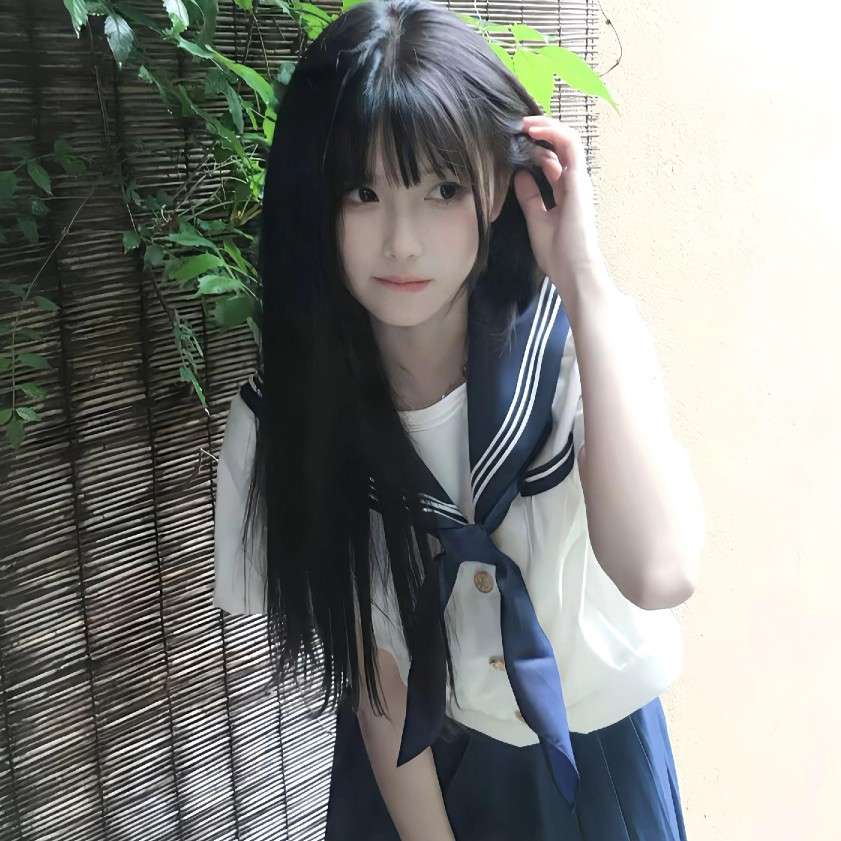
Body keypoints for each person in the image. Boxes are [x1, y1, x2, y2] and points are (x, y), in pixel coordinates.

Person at [212, 1, 706, 839]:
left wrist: (583, 277)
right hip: (406, 771)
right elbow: (373, 672)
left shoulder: (578, 351)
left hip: (592, 765)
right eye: (361, 192)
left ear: (502, 186)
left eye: (441, 189)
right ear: (312, 201)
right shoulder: (288, 416)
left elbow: (657, 572)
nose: (402, 242)